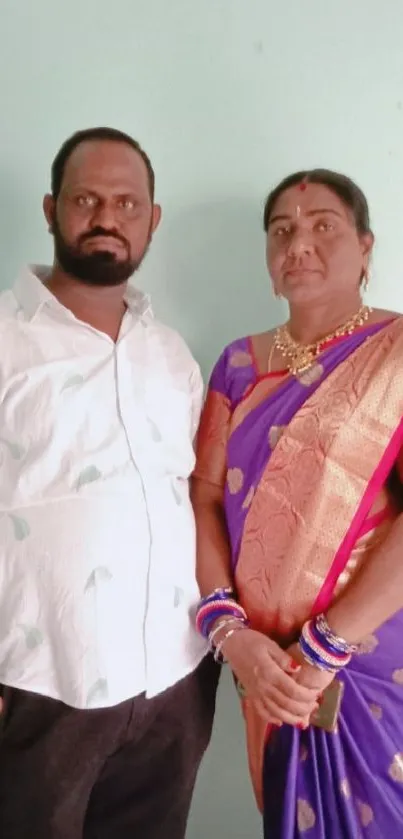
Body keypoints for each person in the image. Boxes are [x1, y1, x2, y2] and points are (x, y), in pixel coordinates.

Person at [0, 126, 219, 839]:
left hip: (174, 679)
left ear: (151, 220)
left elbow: (195, 496)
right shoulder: (6, 338)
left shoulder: (171, 353)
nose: (106, 217)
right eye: (86, 198)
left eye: (127, 203)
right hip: (42, 678)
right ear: (50, 208)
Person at [192, 168, 403, 838]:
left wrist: (325, 646)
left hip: (369, 663)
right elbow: (201, 495)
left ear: (365, 246)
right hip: (264, 667)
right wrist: (227, 628)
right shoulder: (237, 365)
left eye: (322, 226)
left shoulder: (396, 353)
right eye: (280, 229)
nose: (298, 242)